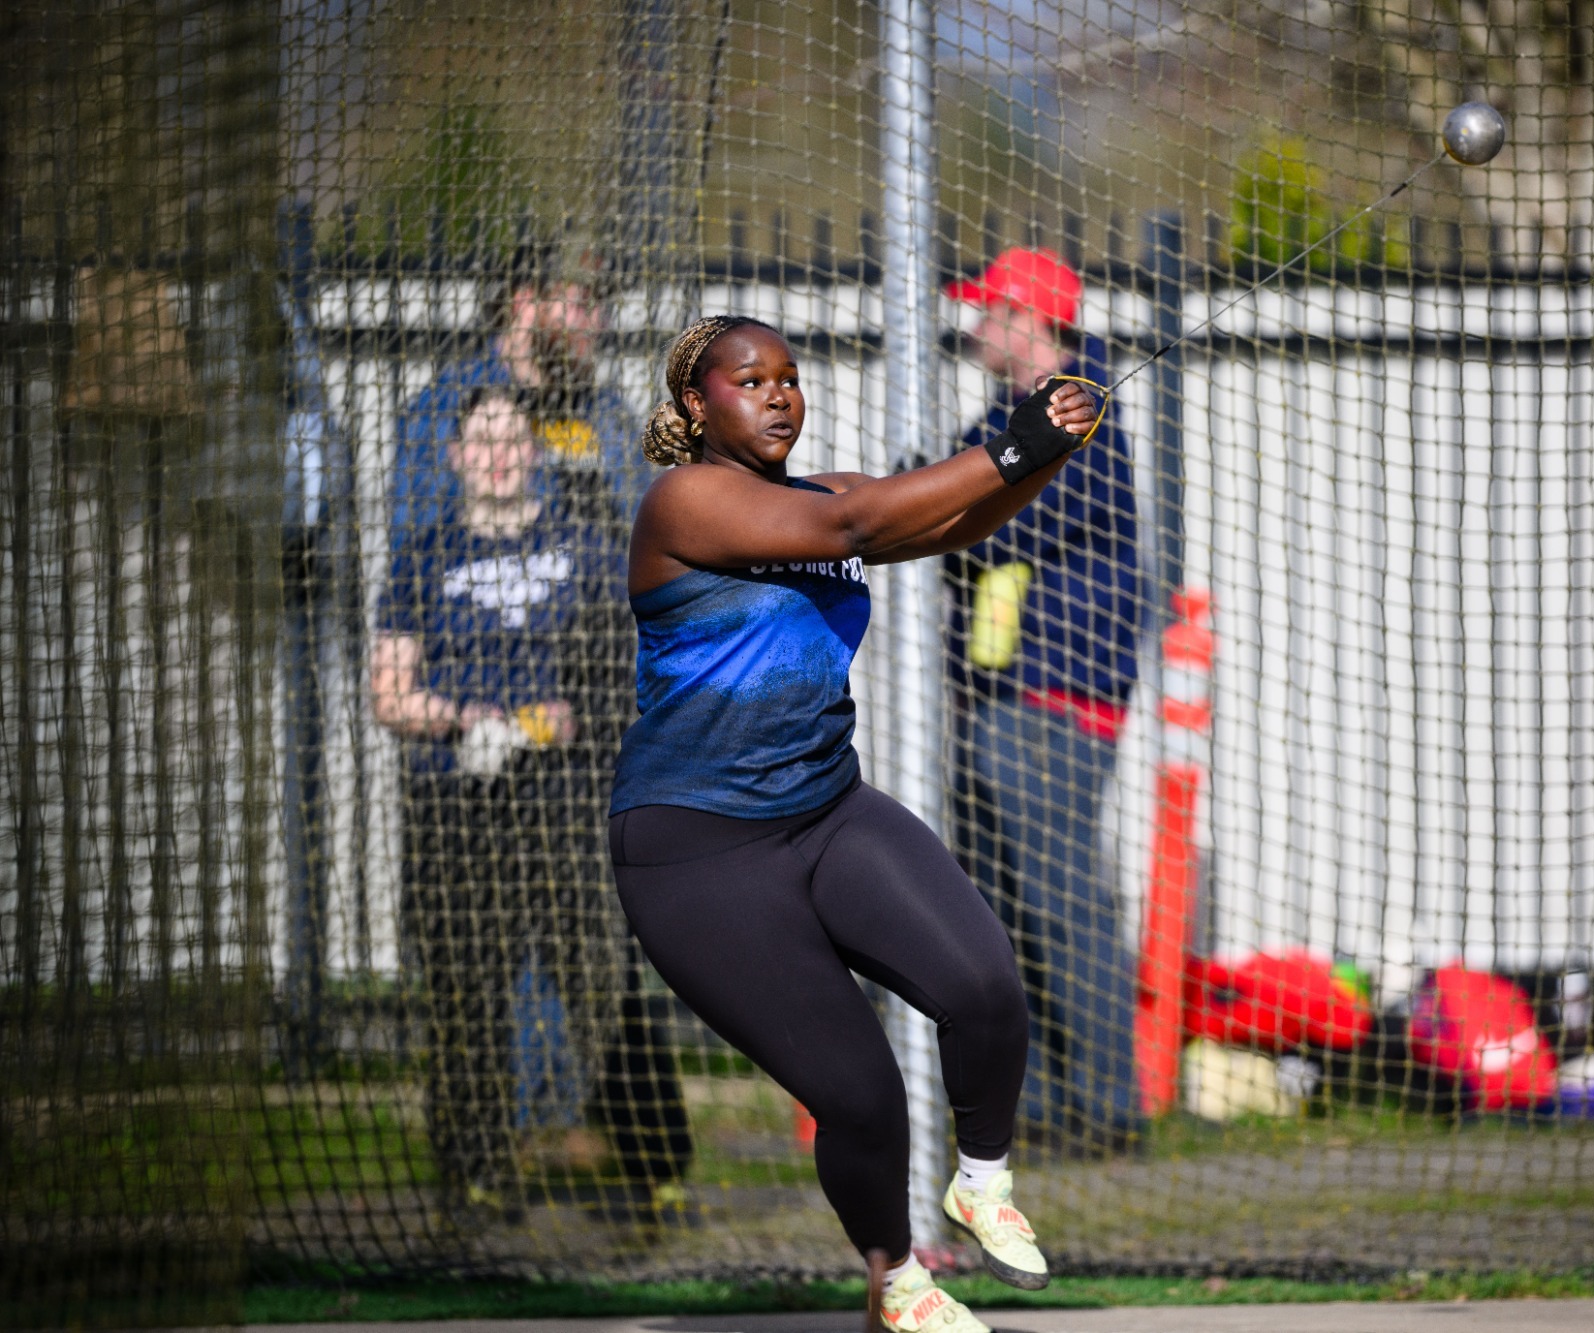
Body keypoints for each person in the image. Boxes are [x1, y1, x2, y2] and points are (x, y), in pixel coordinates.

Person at [612, 315, 1101, 1332]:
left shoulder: (818, 493)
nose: (781, 395)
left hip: (826, 808)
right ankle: (895, 1280)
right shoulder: (685, 500)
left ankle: (980, 1181)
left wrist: (1039, 456)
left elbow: (942, 528)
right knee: (864, 1097)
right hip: (698, 851)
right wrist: (1010, 441)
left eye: (791, 378)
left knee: (982, 986)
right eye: (753, 381)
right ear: (699, 405)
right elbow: (858, 530)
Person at [372, 387, 689, 1224]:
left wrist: (561, 719)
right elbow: (390, 692)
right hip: (458, 799)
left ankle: (656, 1168)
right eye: (481, 439)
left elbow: (631, 667)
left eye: (513, 437)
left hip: (569, 795)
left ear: (536, 450)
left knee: (602, 978)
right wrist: (463, 722)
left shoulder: (587, 549)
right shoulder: (421, 555)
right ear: (455, 455)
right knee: (466, 989)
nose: (499, 452)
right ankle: (475, 1172)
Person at [942, 249, 1145, 1153]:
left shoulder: (1074, 407)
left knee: (1063, 904)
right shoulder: (1011, 414)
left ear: (1028, 318)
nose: (975, 328)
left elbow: (992, 521)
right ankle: (1057, 1102)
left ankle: (1106, 1107)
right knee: (1006, 911)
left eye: (989, 312)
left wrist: (924, 497)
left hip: (1054, 698)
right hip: (1000, 694)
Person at [392, 254, 643, 543]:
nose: (598, 324)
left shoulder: (606, 411)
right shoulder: (446, 408)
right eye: (583, 305)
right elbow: (414, 553)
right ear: (524, 303)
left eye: (603, 308)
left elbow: (638, 527)